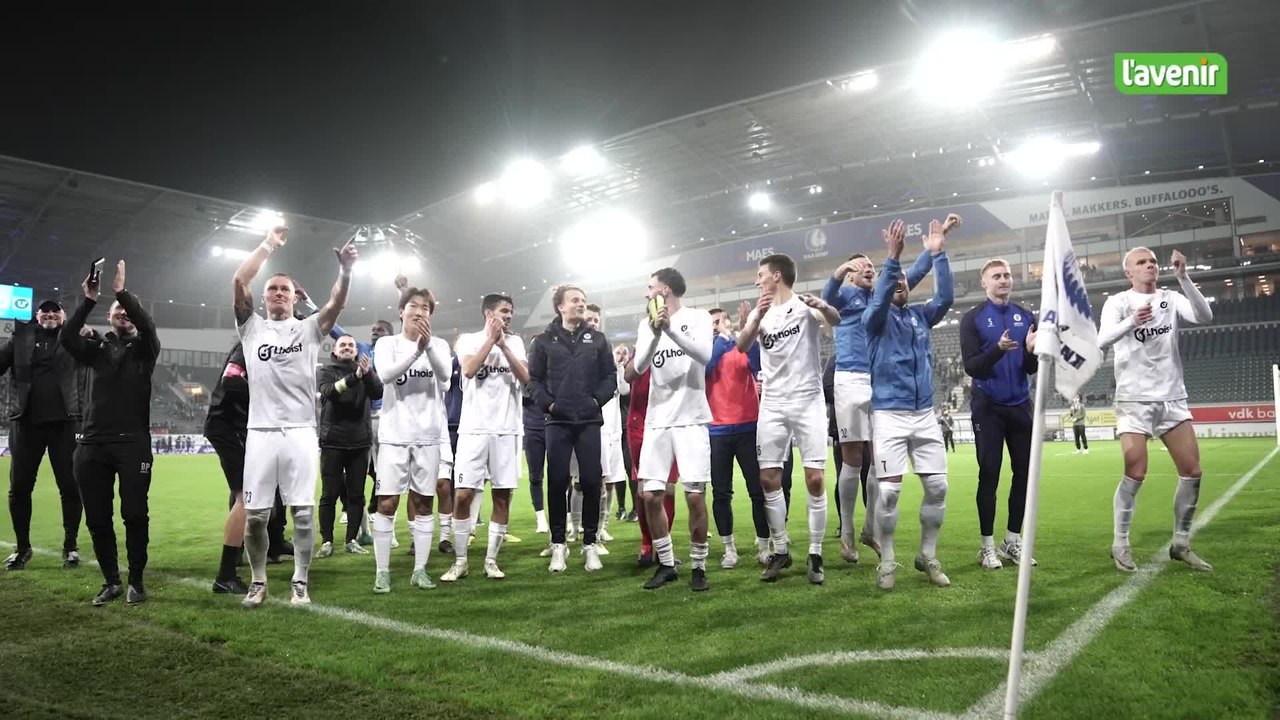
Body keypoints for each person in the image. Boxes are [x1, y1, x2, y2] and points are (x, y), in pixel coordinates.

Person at [231, 225, 356, 608]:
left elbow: (335, 304)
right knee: (255, 517)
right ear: (265, 298)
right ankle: (258, 581)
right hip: (261, 433)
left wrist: (346, 272)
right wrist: (269, 244)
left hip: (300, 432)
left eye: (285, 289)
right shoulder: (251, 328)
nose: (279, 294)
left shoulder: (309, 329)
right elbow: (239, 279)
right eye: (273, 289)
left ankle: (300, 581)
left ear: (294, 297)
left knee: (302, 513)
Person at [823, 239, 941, 565]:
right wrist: (839, 271)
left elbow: (912, 274)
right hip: (848, 378)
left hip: (878, 381)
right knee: (853, 460)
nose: (868, 270)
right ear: (850, 275)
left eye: (871, 267)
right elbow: (827, 297)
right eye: (860, 268)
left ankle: (870, 528)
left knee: (879, 462)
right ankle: (846, 533)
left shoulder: (882, 295)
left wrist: (933, 250)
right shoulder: (845, 295)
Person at [1098, 247, 1213, 573]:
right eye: (1141, 262)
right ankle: (1120, 544)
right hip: (1134, 400)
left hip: (1172, 398)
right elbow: (1101, 340)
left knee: (1192, 472)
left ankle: (1181, 543)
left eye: (1152, 261)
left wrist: (1184, 277)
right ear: (1128, 272)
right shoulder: (1118, 302)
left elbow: (1204, 316)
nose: (1150, 265)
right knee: (1136, 471)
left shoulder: (1171, 297)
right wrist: (1132, 321)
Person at [60, 261, 160, 606]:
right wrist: (88, 299)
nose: (124, 314)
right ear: (108, 318)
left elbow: (146, 324)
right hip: (91, 445)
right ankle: (111, 581)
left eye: (129, 311)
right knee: (98, 518)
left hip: (133, 445)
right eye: (117, 310)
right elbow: (66, 336)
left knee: (134, 514)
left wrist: (121, 293)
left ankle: (136, 581)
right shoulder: (95, 350)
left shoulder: (146, 349)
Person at [737, 253, 840, 584]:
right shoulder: (761, 311)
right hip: (773, 403)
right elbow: (741, 346)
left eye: (760, 274)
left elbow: (834, 320)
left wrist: (823, 307)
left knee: (814, 479)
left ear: (776, 275)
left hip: (808, 400)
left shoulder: (805, 306)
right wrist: (755, 319)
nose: (757, 280)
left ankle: (815, 552)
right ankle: (780, 549)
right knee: (768, 479)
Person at [864, 218, 953, 591]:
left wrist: (938, 254)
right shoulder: (874, 319)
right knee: (889, 492)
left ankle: (926, 555)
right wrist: (892, 259)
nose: (900, 284)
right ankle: (886, 560)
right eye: (894, 281)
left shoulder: (920, 317)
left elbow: (946, 298)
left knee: (938, 488)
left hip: (924, 414)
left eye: (904, 281)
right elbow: (884, 290)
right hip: (889, 414)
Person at [632, 268, 714, 591]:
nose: (646, 292)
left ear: (665, 290)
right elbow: (638, 367)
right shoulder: (644, 325)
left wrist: (670, 330)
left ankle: (698, 566)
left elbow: (704, 355)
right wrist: (655, 332)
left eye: (649, 286)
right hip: (658, 420)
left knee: (695, 497)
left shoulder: (699, 318)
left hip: (691, 419)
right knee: (651, 496)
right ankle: (666, 564)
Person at [528, 285, 616, 573]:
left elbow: (609, 377)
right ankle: (558, 544)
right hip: (557, 421)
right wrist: (550, 406)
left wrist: (595, 401)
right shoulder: (542, 341)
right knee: (556, 482)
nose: (582, 304)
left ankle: (589, 544)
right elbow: (534, 381)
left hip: (589, 420)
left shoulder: (599, 340)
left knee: (591, 481)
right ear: (560, 307)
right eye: (575, 300)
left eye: (584, 300)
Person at [443, 293, 529, 581]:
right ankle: (460, 561)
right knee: (463, 494)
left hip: (507, 429)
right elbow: (468, 370)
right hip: (474, 429)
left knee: (502, 496)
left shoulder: (515, 342)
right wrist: (491, 341)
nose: (508, 316)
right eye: (504, 311)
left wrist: (503, 345)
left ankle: (491, 560)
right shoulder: (468, 339)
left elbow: (526, 377)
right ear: (488, 314)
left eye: (511, 312)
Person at [960, 258, 1039, 570]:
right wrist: (998, 349)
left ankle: (1012, 541)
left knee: (1024, 474)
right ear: (985, 283)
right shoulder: (973, 319)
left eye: (1007, 275)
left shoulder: (1025, 315)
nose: (1004, 280)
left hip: (1020, 404)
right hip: (988, 405)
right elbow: (971, 366)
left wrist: (1031, 352)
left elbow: (1030, 367)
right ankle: (986, 546)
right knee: (989, 473)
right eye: (997, 276)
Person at [370, 288, 450, 591]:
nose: (420, 312)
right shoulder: (387, 343)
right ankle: (382, 571)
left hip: (428, 436)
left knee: (423, 502)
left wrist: (427, 348)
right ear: (401, 311)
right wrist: (417, 351)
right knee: (387, 502)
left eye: (426, 308)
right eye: (414, 306)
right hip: (394, 436)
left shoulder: (439, 345)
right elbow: (386, 376)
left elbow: (445, 378)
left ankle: (420, 570)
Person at [1, 299, 85, 571]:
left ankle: (70, 546)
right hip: (26, 423)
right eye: (44, 311)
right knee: (20, 489)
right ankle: (22, 548)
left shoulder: (73, 336)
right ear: (37, 315)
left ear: (64, 316)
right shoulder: (21, 337)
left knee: (70, 488)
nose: (50, 314)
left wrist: (91, 333)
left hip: (65, 424)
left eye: (55, 311)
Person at [705, 303, 762, 570]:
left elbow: (758, 363)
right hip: (717, 430)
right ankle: (729, 548)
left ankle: (764, 544)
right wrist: (720, 339)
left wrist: (747, 331)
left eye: (720, 321)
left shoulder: (742, 347)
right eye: (711, 323)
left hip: (748, 427)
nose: (716, 326)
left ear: (729, 323)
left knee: (757, 491)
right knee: (721, 493)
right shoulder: (705, 353)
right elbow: (707, 367)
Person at [315, 335, 383, 558]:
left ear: (356, 351)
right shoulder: (326, 371)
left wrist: (368, 373)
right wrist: (356, 377)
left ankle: (351, 540)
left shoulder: (364, 371)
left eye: (351, 345)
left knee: (356, 495)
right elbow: (330, 392)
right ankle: (326, 541)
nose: (346, 348)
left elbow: (378, 393)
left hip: (359, 442)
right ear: (335, 350)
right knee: (329, 494)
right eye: (342, 345)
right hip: (332, 441)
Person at [205, 340, 251, 593]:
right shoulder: (250, 344)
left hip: (232, 426)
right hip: (228, 425)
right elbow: (231, 379)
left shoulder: (253, 344)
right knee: (247, 497)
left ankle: (236, 558)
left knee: (243, 494)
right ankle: (225, 575)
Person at [522, 340, 549, 534]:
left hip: (554, 426)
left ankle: (565, 517)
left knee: (560, 476)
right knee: (535, 475)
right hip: (533, 428)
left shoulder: (556, 371)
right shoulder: (523, 372)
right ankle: (540, 517)